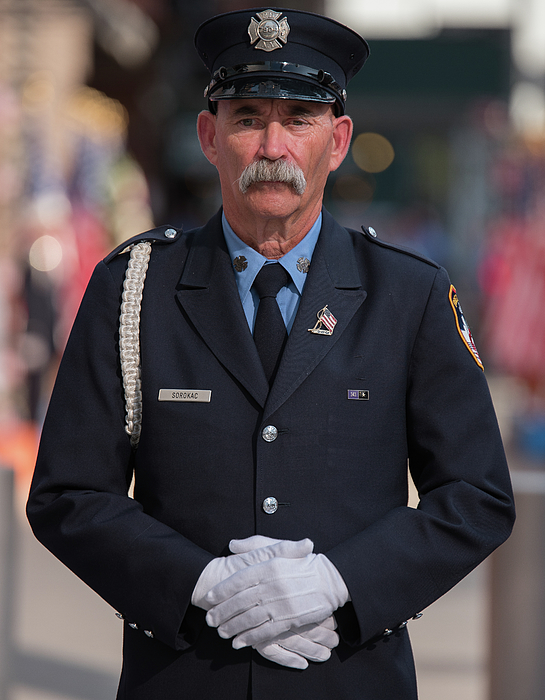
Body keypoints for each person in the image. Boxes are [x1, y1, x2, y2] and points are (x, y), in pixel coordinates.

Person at [27, 7, 515, 700]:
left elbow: (476, 496)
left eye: (299, 118)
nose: (272, 144)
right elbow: (68, 495)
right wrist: (199, 584)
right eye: (248, 117)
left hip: (349, 678)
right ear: (209, 136)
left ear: (338, 140)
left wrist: (338, 582)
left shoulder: (406, 293)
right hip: (187, 676)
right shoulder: (134, 288)